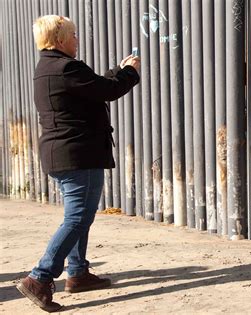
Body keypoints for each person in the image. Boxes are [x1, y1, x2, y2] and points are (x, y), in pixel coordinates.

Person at [16, 15, 140, 312]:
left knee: (79, 215)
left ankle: (78, 273)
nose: (77, 40)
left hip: (62, 154)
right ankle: (40, 277)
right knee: (78, 218)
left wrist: (117, 71)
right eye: (73, 35)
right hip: (77, 154)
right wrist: (129, 73)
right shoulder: (67, 67)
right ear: (60, 40)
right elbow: (107, 91)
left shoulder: (48, 67)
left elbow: (94, 87)